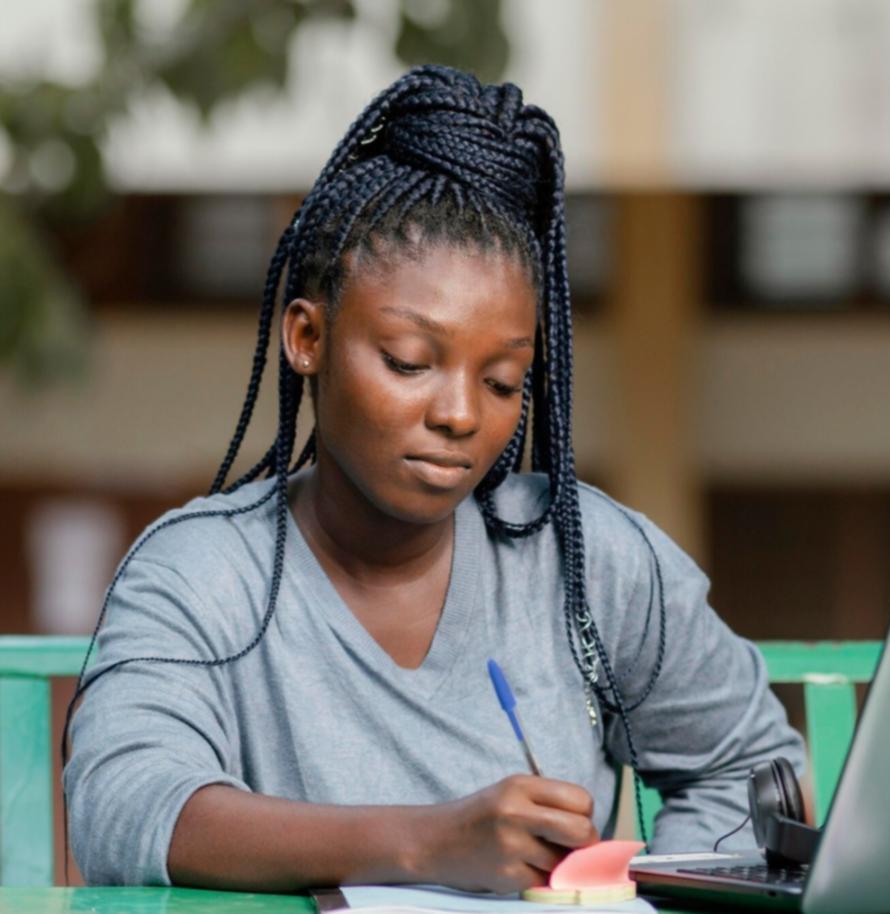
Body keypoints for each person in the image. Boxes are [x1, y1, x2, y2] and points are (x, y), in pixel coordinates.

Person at [63, 65, 804, 892]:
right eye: (410, 362)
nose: (460, 415)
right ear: (306, 337)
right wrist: (426, 843)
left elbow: (751, 769)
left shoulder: (585, 558)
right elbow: (124, 806)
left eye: (502, 382)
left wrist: (639, 891)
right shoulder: (203, 572)